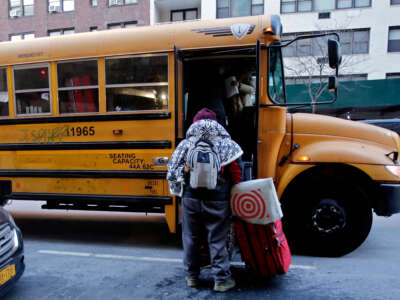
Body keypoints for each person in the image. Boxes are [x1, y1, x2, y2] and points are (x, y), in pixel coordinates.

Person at [167, 108, 243, 292]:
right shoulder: (226, 144)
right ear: (216, 124)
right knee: (217, 240)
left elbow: (172, 170)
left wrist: (180, 192)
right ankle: (221, 280)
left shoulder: (186, 144)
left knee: (191, 238)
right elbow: (237, 173)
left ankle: (192, 276)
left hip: (191, 198)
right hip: (218, 199)